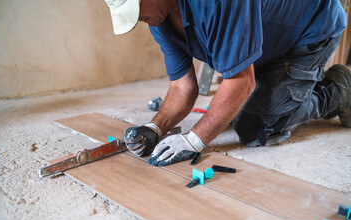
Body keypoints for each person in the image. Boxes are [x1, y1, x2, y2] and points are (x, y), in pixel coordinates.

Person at [104, 0, 350, 166]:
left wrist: (194, 140)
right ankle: (289, 89)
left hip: (309, 32)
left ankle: (337, 90)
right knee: (229, 110)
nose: (137, 20)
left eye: (136, 8)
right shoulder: (159, 18)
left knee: (253, 128)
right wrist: (155, 128)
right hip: (265, 42)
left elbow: (242, 82)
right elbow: (182, 86)